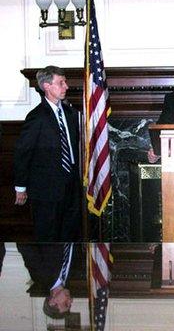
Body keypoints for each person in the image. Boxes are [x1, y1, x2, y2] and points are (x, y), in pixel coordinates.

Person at [14, 66, 81, 242]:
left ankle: (68, 270)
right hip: (45, 191)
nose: (66, 86)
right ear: (46, 86)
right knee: (48, 240)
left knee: (70, 236)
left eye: (65, 82)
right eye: (61, 83)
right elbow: (23, 152)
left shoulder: (71, 113)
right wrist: (20, 187)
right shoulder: (36, 116)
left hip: (71, 187)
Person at [17, 243, 85, 319]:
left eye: (66, 304)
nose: (71, 300)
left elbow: (25, 245)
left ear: (52, 302)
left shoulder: (40, 275)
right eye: (70, 304)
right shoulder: (73, 276)